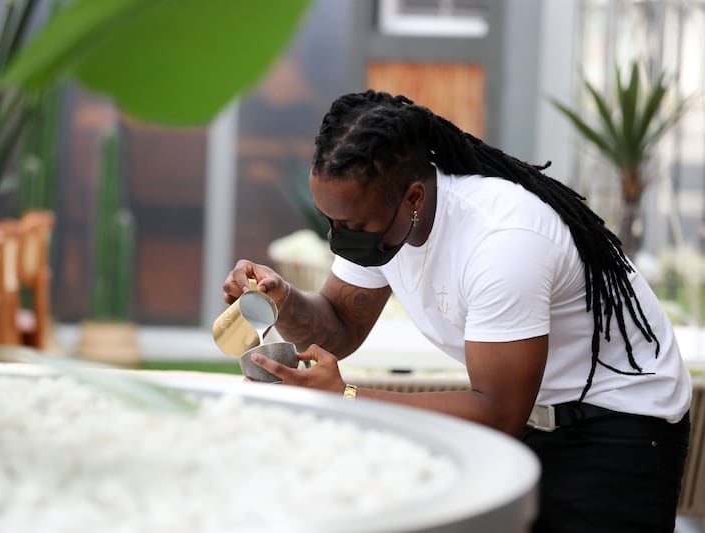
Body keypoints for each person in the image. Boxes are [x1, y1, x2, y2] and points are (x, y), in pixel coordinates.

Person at [223, 90, 692, 532]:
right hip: (531, 417)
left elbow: (497, 413)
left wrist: (344, 395)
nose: (339, 236)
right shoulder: (380, 221)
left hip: (618, 424)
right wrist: (283, 299)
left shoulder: (503, 243)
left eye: (353, 224)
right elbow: (339, 326)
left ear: (413, 199)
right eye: (331, 221)